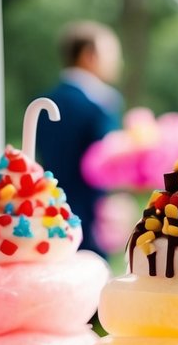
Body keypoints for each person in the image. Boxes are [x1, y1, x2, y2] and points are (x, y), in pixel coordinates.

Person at [36, 21, 123, 255]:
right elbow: (108, 165)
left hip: (47, 211)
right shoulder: (101, 102)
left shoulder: (43, 102)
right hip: (90, 217)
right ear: (89, 55)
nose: (117, 61)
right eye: (111, 53)